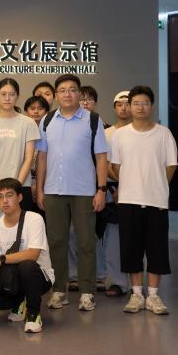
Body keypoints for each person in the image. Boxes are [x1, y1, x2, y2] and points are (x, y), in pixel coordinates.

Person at [35, 74, 108, 312]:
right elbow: (42, 157)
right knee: (56, 242)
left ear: (79, 93)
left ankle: (87, 292)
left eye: (73, 90)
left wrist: (101, 190)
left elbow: (101, 157)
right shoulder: (47, 120)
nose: (68, 94)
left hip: (84, 191)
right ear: (56, 95)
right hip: (53, 191)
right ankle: (59, 290)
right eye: (63, 90)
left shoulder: (93, 120)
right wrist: (40, 189)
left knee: (86, 242)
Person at [111, 86, 177, 315]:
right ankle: (137, 295)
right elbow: (115, 166)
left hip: (156, 201)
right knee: (132, 248)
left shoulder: (163, 134)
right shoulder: (120, 135)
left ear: (152, 106)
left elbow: (171, 166)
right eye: (136, 103)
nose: (140, 107)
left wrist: (156, 185)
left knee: (157, 249)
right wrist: (132, 183)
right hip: (128, 200)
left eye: (145, 103)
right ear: (130, 106)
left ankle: (154, 296)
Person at [0, 178, 54, 334]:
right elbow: (0, 263)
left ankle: (33, 315)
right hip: (13, 277)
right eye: (0, 196)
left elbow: (33, 254)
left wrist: (2, 259)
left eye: (9, 195)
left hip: (39, 276)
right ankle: (18, 301)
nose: (4, 201)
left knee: (27, 265)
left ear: (20, 197)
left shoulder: (34, 219)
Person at [69, 85, 110, 292]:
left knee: (97, 234)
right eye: (82, 99)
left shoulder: (102, 126)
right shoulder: (69, 125)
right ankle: (74, 275)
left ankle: (100, 275)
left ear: (95, 102)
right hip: (74, 188)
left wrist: (102, 188)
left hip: (97, 188)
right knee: (72, 233)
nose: (85, 103)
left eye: (89, 99)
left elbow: (104, 160)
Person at [0, 79, 39, 213]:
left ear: (17, 96)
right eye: (3, 94)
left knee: (21, 226)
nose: (7, 98)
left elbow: (29, 158)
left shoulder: (28, 123)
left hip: (21, 187)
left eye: (12, 94)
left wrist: (15, 188)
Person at [100, 91, 132, 298]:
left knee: (136, 238)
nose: (123, 108)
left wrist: (128, 183)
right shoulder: (106, 133)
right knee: (113, 238)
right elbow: (105, 162)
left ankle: (135, 284)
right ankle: (117, 282)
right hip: (113, 191)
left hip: (138, 190)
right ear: (114, 108)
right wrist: (121, 183)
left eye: (127, 104)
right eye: (119, 104)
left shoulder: (141, 131)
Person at [23, 96, 50, 217]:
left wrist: (39, 185)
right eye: (32, 108)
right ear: (26, 111)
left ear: (47, 111)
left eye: (40, 108)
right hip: (25, 183)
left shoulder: (51, 132)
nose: (36, 111)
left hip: (47, 184)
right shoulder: (21, 132)